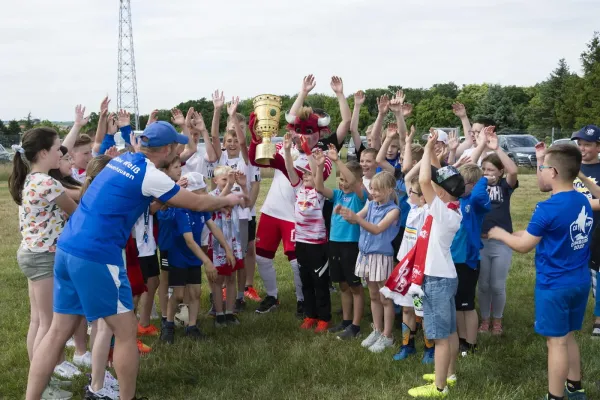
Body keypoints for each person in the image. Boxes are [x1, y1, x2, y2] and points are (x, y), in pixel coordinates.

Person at [24, 120, 245, 400]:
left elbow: (135, 201)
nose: (177, 149)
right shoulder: (150, 175)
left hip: (68, 248)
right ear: (166, 150)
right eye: (175, 146)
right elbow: (198, 203)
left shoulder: (123, 160)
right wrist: (233, 199)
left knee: (57, 331)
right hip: (97, 255)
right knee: (127, 332)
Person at [489, 143, 591, 400]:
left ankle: (555, 396)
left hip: (554, 285)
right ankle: (575, 387)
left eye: (543, 166)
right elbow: (544, 234)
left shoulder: (547, 208)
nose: (541, 170)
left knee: (555, 342)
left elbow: (524, 247)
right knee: (568, 336)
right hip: (580, 282)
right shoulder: (582, 200)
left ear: (554, 172)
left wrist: (501, 234)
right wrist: (520, 234)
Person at [247, 75, 350, 315]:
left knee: (297, 263)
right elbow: (255, 159)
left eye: (311, 132)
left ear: (320, 133)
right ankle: (272, 297)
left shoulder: (321, 155)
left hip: (298, 215)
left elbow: (307, 177)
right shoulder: (284, 145)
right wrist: (256, 137)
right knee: (262, 257)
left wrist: (298, 154)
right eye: (301, 131)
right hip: (272, 209)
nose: (306, 135)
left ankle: (303, 299)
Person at [9, 128, 79, 400]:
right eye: (57, 148)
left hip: (33, 255)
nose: (62, 152)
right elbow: (75, 211)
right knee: (48, 326)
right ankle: (42, 387)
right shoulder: (48, 184)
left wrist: (76, 125)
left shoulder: (34, 178)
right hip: (43, 258)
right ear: (43, 153)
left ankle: (43, 380)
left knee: (38, 321)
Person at [408, 131, 464, 399]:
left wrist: (429, 146)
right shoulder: (451, 207)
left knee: (440, 337)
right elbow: (434, 180)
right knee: (450, 331)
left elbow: (422, 180)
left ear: (441, 192)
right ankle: (449, 374)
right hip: (445, 276)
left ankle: (439, 388)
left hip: (437, 279)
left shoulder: (442, 211)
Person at [339, 171, 401, 353]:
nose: (373, 193)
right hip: (366, 255)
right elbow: (355, 218)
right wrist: (347, 213)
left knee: (385, 297)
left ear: (390, 190)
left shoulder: (394, 210)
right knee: (374, 295)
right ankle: (377, 330)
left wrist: (357, 218)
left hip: (381, 257)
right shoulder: (372, 204)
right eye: (372, 189)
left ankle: (388, 335)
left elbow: (376, 229)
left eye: (377, 190)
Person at [314, 148, 367, 339]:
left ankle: (356, 326)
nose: (344, 183)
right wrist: (320, 167)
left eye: (346, 180)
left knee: (355, 286)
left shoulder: (360, 197)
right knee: (343, 285)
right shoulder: (337, 194)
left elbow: (353, 181)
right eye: (341, 180)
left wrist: (337, 161)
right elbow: (319, 187)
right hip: (334, 243)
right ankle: (346, 321)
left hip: (351, 245)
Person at [380, 177, 434, 363]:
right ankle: (407, 345)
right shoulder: (412, 208)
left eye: (413, 193)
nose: (408, 194)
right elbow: (409, 176)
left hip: (420, 269)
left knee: (423, 310)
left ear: (424, 197)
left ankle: (430, 349)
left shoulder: (428, 212)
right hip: (406, 267)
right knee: (407, 308)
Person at [281, 134, 331, 332]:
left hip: (317, 245)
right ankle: (310, 315)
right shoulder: (298, 189)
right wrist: (286, 150)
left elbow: (317, 176)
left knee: (320, 282)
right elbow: (289, 170)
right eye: (304, 175)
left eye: (309, 175)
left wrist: (313, 159)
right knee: (306, 281)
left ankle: (324, 317)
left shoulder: (319, 192)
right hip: (301, 243)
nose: (305, 177)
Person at [478, 134, 519, 336]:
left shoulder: (505, 186)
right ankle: (484, 319)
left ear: (500, 172)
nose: (487, 173)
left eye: (491, 170)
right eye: (484, 169)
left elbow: (513, 171)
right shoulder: (478, 186)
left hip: (501, 242)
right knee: (484, 284)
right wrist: (482, 147)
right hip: (481, 242)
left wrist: (497, 149)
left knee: (497, 284)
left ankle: (497, 320)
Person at [450, 162, 490, 356]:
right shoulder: (458, 200)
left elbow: (481, 195)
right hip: (452, 260)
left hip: (468, 261)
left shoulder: (475, 203)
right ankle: (462, 340)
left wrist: (482, 179)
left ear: (473, 185)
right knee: (457, 303)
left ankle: (472, 343)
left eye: (463, 184)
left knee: (467, 304)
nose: (458, 188)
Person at [208, 166, 247, 327]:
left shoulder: (234, 192)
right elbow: (214, 205)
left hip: (233, 241)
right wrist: (229, 186)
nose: (227, 182)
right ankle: (219, 313)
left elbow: (247, 204)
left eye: (228, 179)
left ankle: (230, 312)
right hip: (218, 244)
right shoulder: (210, 196)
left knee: (231, 277)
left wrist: (243, 186)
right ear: (215, 180)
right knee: (218, 279)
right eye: (224, 179)